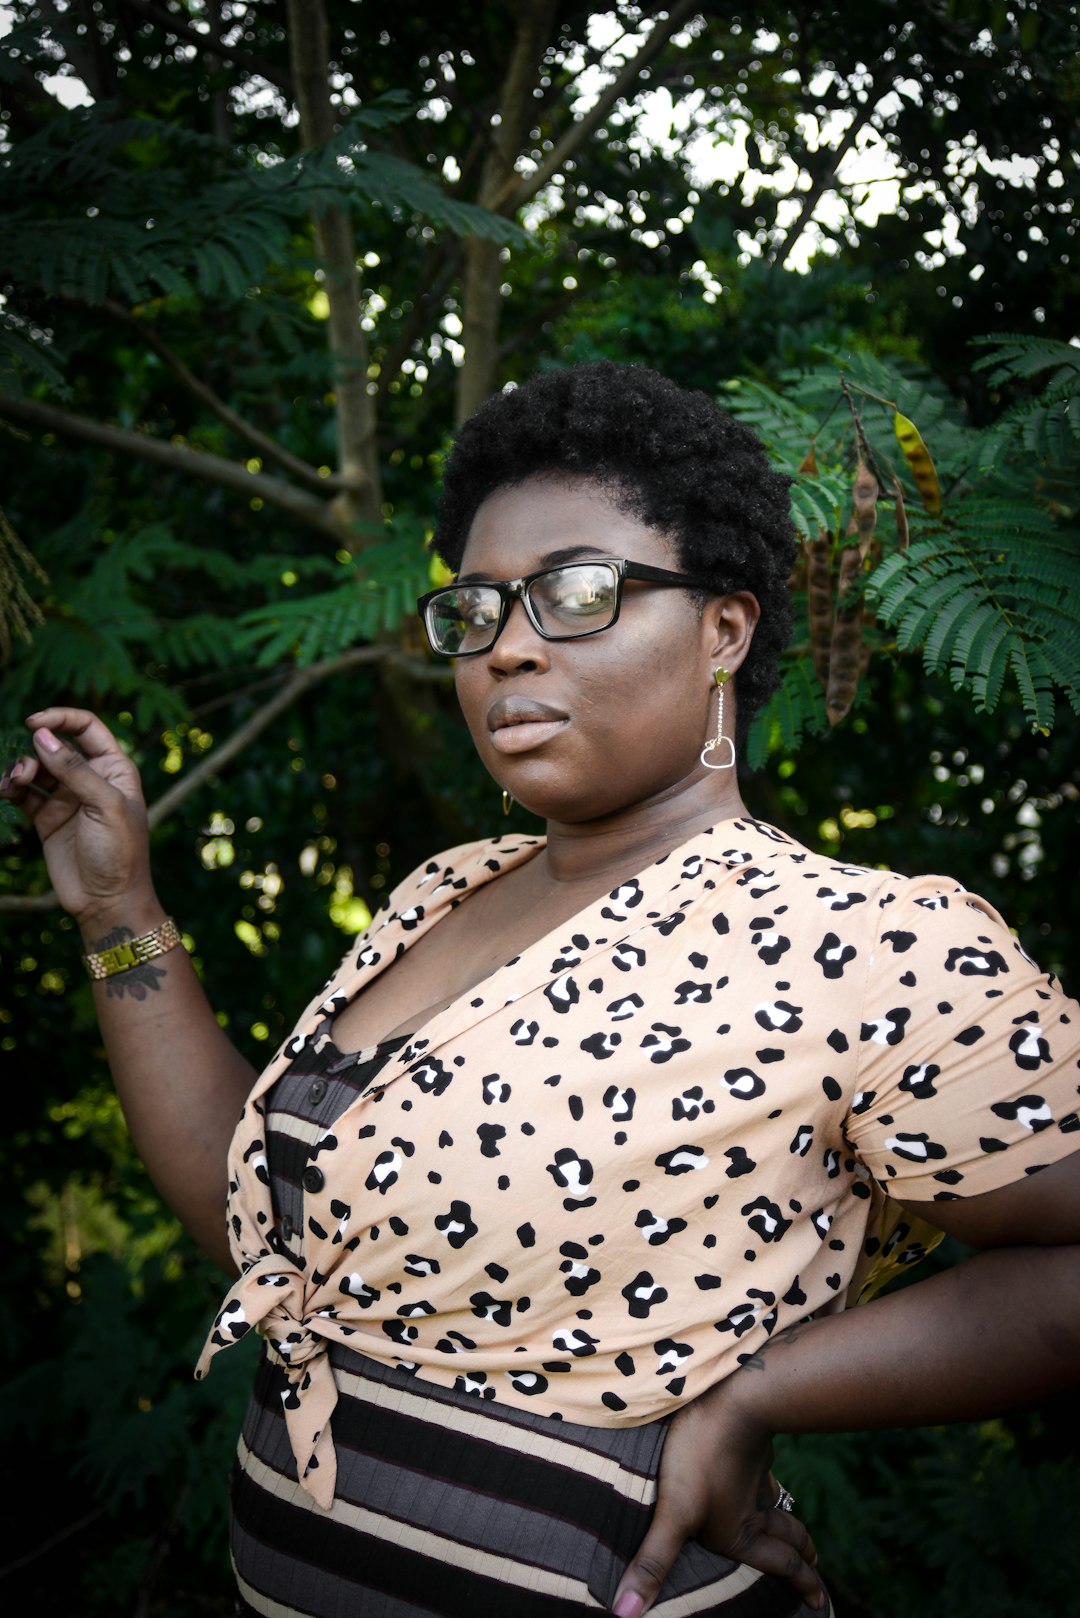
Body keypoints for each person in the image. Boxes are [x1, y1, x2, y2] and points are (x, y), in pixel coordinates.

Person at [3, 362, 1078, 1618]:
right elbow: (264, 1234)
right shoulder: (440, 896)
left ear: (723, 629)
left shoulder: (874, 944)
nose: (507, 644)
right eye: (474, 610)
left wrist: (769, 1392)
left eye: (577, 592)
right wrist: (120, 911)